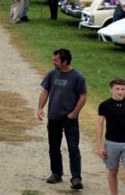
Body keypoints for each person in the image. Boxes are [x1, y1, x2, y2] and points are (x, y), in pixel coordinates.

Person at [38, 48, 87, 190]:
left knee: (73, 148)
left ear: (65, 61)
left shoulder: (78, 77)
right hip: (53, 117)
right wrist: (40, 108)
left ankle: (76, 178)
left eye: (56, 60)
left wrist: (74, 113)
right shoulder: (52, 74)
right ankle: (56, 173)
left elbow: (83, 97)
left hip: (70, 119)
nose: (53, 62)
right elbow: (45, 90)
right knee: (54, 147)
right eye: (53, 59)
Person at [97, 78, 125, 195]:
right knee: (113, 171)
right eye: (117, 89)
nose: (120, 92)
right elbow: (99, 125)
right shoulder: (104, 105)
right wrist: (99, 145)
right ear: (111, 89)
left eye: (123, 89)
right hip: (111, 143)